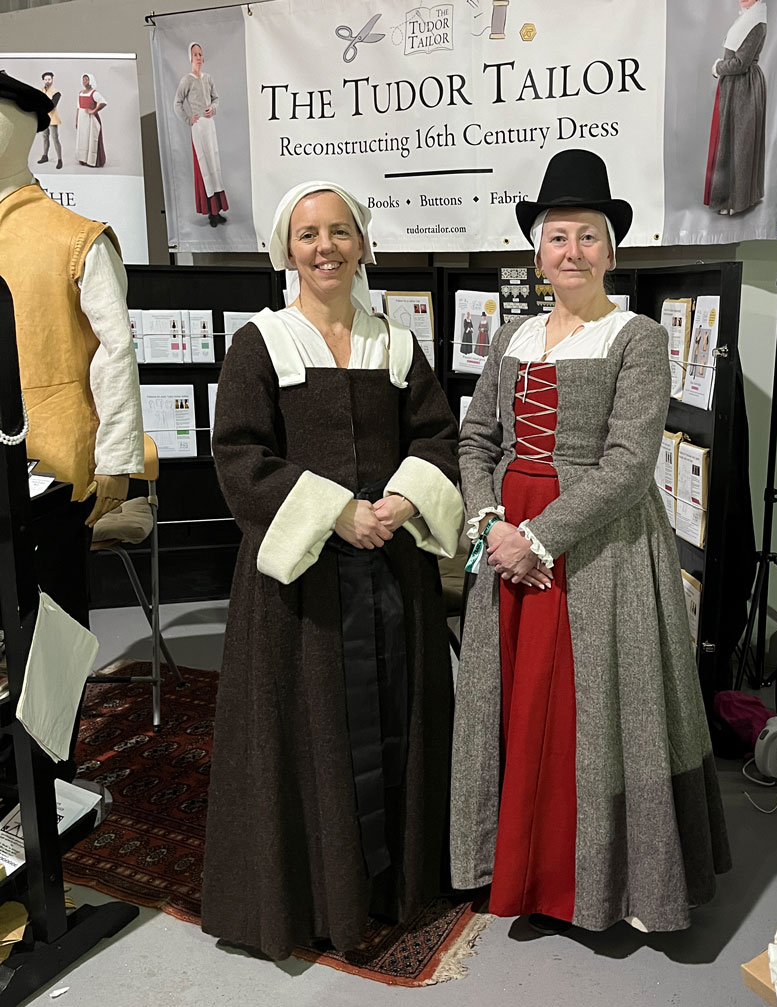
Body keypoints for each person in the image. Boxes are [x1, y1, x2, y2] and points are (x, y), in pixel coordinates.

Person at [452, 149, 730, 937]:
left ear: (611, 251)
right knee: (512, 705)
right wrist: (489, 524)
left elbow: (630, 463)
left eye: (587, 237)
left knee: (590, 713)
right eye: (557, 236)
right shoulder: (512, 336)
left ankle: (599, 886)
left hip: (598, 546)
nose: (570, 251)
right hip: (505, 538)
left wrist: (538, 536)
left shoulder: (636, 337)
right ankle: (512, 867)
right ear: (537, 252)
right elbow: (476, 439)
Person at [201, 181, 463, 961]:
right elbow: (239, 455)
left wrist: (403, 502)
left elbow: (437, 436)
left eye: (340, 232)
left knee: (399, 717)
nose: (326, 247)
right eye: (310, 234)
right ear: (287, 248)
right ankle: (317, 900)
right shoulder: (261, 344)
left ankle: (397, 884)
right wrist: (336, 511)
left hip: (392, 573)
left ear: (362, 244)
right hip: (302, 589)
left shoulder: (397, 344)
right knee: (307, 731)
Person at [0, 73, 143, 629]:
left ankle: (55, 696)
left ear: (20, 128)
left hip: (52, 469)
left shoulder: (75, 237)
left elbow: (116, 351)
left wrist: (117, 459)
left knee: (51, 626)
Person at [704, 0, 767, 215]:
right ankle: (730, 197)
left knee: (740, 142)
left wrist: (717, 67)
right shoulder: (746, 19)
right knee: (732, 140)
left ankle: (735, 200)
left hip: (743, 87)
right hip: (734, 85)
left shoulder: (756, 22)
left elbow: (740, 63)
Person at [174, 43, 229, 227]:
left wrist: (213, 108)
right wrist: (189, 119)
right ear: (190, 58)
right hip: (198, 128)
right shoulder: (186, 81)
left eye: (200, 54)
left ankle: (218, 210)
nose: (198, 57)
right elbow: (177, 103)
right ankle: (210, 212)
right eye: (195, 54)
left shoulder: (208, 78)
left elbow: (216, 98)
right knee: (204, 165)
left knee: (214, 164)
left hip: (209, 125)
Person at [74, 73, 106, 168]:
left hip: (91, 120)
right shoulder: (80, 93)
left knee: (91, 138)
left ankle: (92, 160)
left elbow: (103, 102)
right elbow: (78, 108)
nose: (84, 81)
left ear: (91, 80)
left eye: (86, 79)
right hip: (82, 119)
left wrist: (93, 111)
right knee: (83, 139)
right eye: (83, 79)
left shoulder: (94, 93)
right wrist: (77, 120)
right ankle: (83, 159)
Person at [38, 71, 62, 169]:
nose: (47, 81)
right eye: (46, 79)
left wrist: (42, 105)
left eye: (49, 79)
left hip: (52, 118)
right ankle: (45, 155)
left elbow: (52, 105)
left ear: (52, 80)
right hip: (44, 117)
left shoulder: (56, 93)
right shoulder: (41, 90)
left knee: (55, 138)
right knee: (44, 137)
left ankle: (59, 159)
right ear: (43, 80)